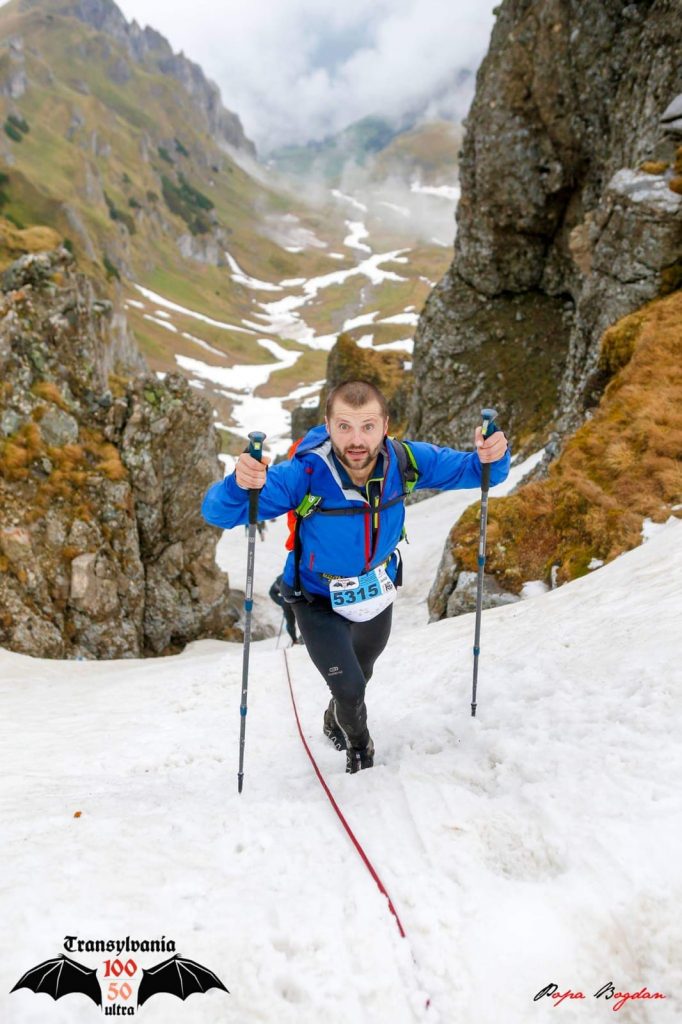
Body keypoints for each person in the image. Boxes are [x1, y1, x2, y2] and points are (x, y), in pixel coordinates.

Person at [202, 380, 510, 774]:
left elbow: (479, 472)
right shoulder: (305, 472)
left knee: (361, 676)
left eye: (367, 426)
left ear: (385, 425)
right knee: (349, 687)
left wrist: (493, 455)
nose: (357, 440)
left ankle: (335, 718)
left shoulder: (404, 461)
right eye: (344, 426)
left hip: (375, 592)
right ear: (328, 425)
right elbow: (220, 512)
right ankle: (361, 749)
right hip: (315, 597)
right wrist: (239, 483)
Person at [269, 574, 301, 645]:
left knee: (300, 621)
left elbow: (272, 592)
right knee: (291, 623)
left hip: (298, 603)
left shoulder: (283, 577)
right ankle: (295, 640)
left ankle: (299, 639)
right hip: (289, 604)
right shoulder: (282, 578)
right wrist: (281, 601)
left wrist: (281, 601)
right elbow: (272, 592)